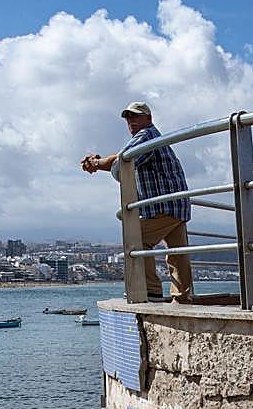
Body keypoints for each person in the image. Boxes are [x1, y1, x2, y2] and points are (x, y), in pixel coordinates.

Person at [81, 102, 193, 304]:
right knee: (177, 253)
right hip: (175, 205)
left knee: (137, 238)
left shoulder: (146, 136)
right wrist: (100, 162)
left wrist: (97, 164)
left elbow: (121, 163)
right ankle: (183, 297)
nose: (131, 120)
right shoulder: (150, 138)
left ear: (148, 118)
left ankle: (150, 290)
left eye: (136, 116)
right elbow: (121, 157)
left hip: (163, 206)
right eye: (128, 117)